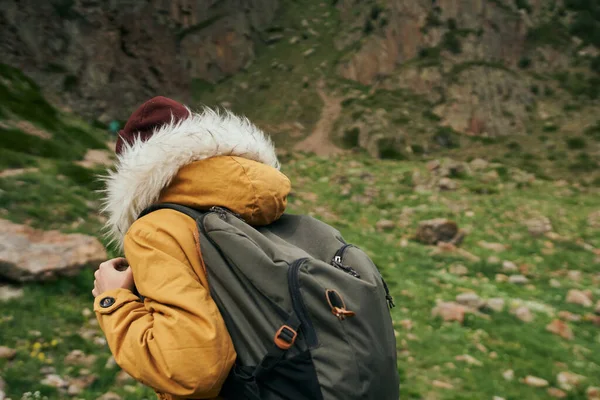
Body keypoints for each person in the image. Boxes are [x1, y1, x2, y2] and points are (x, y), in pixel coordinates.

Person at [92, 96, 290, 399]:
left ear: (130, 168)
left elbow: (191, 371)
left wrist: (113, 300)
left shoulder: (154, 230)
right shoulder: (258, 203)